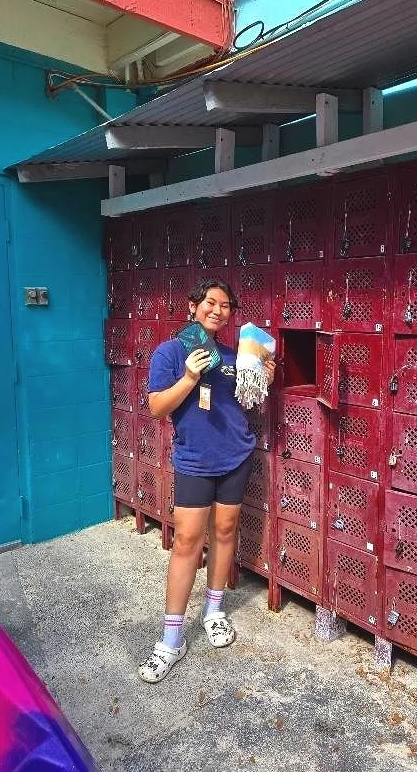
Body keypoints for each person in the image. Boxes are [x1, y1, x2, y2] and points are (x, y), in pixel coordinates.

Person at [139, 278, 276, 683]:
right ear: (193, 305)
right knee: (186, 543)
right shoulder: (171, 351)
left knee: (226, 529)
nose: (217, 311)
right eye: (210, 303)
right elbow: (155, 409)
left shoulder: (235, 355)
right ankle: (171, 639)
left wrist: (262, 375)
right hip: (195, 461)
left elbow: (248, 402)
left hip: (236, 456)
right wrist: (188, 378)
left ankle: (213, 611)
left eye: (225, 306)